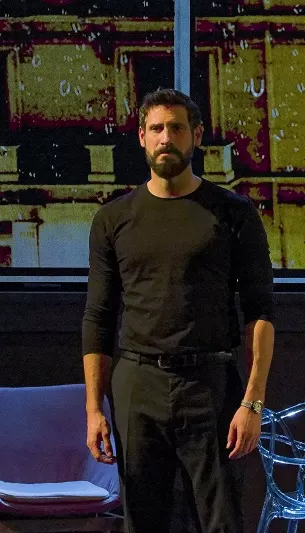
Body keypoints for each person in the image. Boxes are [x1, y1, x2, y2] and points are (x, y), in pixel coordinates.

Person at [82, 89, 275, 533]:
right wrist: (94, 409)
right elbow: (98, 316)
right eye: (156, 129)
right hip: (137, 386)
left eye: (176, 128)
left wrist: (252, 402)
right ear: (142, 137)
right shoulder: (113, 219)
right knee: (142, 520)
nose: (166, 138)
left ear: (197, 136)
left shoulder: (234, 213)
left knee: (221, 520)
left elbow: (260, 312)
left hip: (210, 384)